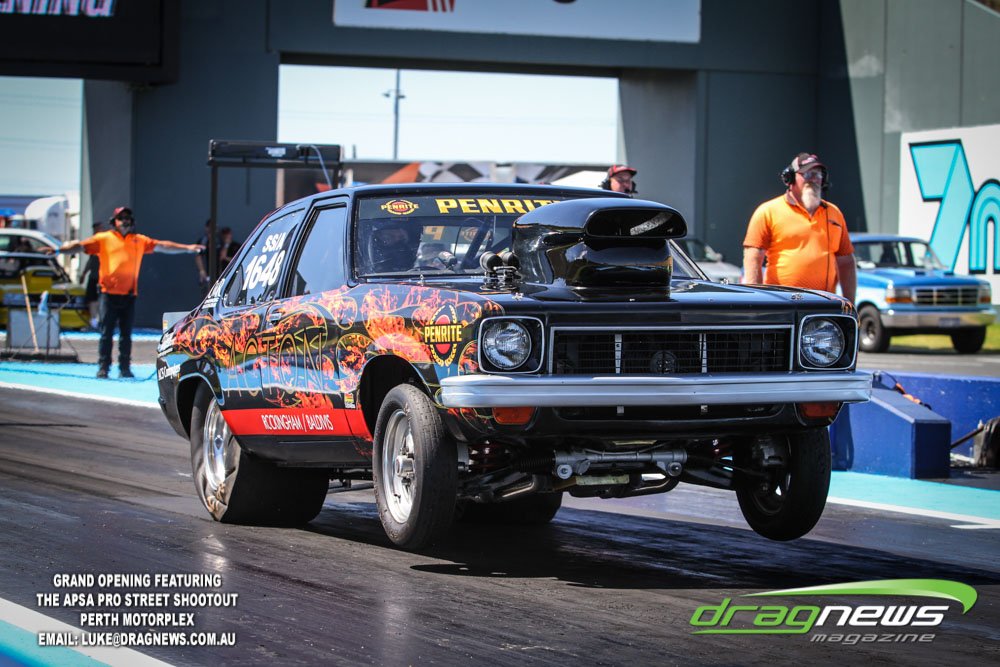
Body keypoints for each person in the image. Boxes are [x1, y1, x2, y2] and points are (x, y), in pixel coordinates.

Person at [45, 206, 203, 378]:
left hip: (128, 294)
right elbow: (80, 246)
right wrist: (59, 250)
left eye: (127, 218)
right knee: (106, 334)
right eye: (121, 218)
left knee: (126, 335)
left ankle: (124, 368)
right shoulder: (104, 238)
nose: (124, 221)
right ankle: (104, 367)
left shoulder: (138, 240)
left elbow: (163, 246)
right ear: (114, 222)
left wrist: (187, 248)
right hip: (108, 294)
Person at [742, 153, 856, 304]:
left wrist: (850, 304)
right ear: (790, 178)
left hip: (824, 304)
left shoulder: (834, 213)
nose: (814, 179)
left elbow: (846, 261)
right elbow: (753, 258)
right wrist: (756, 301)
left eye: (818, 174)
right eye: (807, 174)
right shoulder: (768, 211)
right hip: (781, 303)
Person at [77, 219, 105, 329]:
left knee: (102, 300)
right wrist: (83, 274)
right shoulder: (94, 244)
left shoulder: (107, 242)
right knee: (92, 299)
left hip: (104, 278)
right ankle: (93, 320)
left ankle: (101, 320)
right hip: (94, 276)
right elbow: (90, 261)